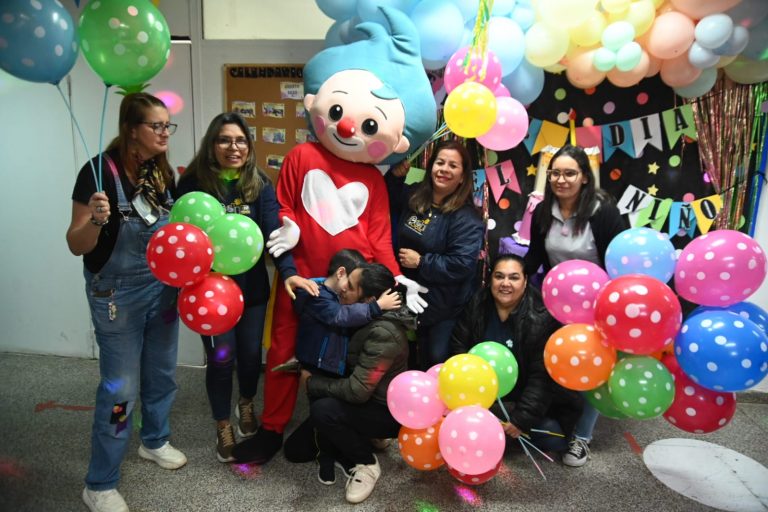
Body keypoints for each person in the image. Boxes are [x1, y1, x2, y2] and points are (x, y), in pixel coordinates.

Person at [250, 7, 435, 465]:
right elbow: (284, 211)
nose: (350, 127)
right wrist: (289, 266)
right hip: (301, 283)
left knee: (333, 356)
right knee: (282, 351)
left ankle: (321, 428)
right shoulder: (302, 156)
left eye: (370, 124)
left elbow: (376, 240)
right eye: (341, 113)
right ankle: (272, 428)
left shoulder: (372, 180)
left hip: (347, 294)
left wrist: (396, 278)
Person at [66, 93, 186, 512]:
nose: (165, 133)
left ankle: (154, 440)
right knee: (121, 391)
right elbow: (75, 244)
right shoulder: (97, 172)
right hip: (116, 294)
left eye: (167, 125)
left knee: (162, 374)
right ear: (132, 129)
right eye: (156, 126)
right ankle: (99, 483)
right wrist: (96, 221)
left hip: (161, 289)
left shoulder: (161, 172)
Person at [176, 112, 319, 463]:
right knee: (222, 360)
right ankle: (223, 424)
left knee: (252, 356)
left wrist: (288, 274)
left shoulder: (259, 184)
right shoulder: (193, 183)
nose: (233, 147)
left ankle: (246, 403)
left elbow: (275, 235)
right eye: (225, 140)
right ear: (212, 145)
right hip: (210, 293)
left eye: (240, 140)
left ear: (249, 146)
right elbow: (183, 237)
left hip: (253, 290)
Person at [523, 144, 628, 467]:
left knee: (591, 370)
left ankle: (582, 439)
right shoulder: (543, 211)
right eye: (555, 172)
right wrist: (510, 278)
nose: (561, 179)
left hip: (598, 307)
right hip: (558, 304)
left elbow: (619, 262)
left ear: (584, 177)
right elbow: (537, 258)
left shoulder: (602, 211)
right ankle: (559, 423)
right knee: (556, 362)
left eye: (570, 173)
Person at [288, 264, 414, 504]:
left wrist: (311, 383)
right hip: (364, 396)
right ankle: (358, 438)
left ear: (369, 300)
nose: (343, 287)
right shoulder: (360, 314)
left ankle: (366, 463)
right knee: (296, 451)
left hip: (383, 411)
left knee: (323, 411)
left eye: (351, 286)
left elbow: (357, 391)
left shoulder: (384, 332)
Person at [451, 254, 583, 453]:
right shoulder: (477, 303)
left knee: (553, 438)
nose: (505, 284)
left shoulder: (541, 316)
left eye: (514, 277)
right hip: (484, 391)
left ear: (526, 280)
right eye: (499, 276)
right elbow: (459, 346)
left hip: (524, 391)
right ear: (490, 279)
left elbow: (542, 376)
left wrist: (522, 418)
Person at [387, 139, 484, 369]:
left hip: (444, 305)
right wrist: (394, 177)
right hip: (407, 295)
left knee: (436, 357)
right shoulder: (415, 197)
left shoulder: (467, 218)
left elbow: (461, 264)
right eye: (440, 162)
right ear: (431, 167)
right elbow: (386, 201)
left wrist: (421, 261)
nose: (444, 169)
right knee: (402, 355)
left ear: (462, 176)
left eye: (453, 165)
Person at [292, 249, 401, 376]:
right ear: (341, 273)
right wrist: (377, 306)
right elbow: (341, 315)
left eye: (351, 286)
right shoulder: (317, 295)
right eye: (349, 283)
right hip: (318, 365)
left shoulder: (334, 295)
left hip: (331, 364)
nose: (345, 289)